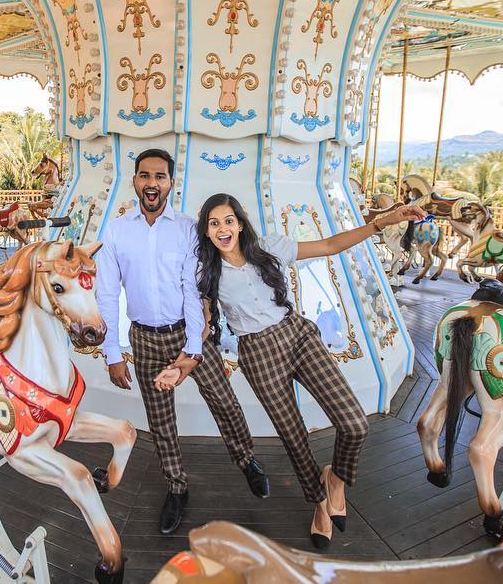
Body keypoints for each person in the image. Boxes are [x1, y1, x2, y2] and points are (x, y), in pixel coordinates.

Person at [156, 193, 424, 549]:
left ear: (240, 222)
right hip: (257, 353)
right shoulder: (207, 273)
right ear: (205, 231)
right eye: (214, 223)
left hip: (297, 335)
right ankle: (319, 506)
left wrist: (380, 222)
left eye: (228, 220)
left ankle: (336, 480)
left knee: (354, 424)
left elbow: (329, 245)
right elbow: (202, 327)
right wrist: (181, 367)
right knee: (294, 438)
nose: (223, 229)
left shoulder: (269, 248)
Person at [95, 150, 269, 535]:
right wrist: (112, 353)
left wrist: (193, 348)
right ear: (135, 181)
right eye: (144, 176)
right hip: (143, 338)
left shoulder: (189, 228)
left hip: (187, 332)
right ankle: (176, 487)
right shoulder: (117, 231)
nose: (152, 183)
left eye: (160, 176)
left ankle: (246, 460)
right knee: (160, 420)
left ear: (171, 182)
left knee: (224, 399)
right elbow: (107, 295)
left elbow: (194, 292)